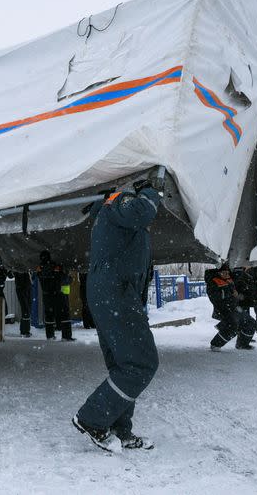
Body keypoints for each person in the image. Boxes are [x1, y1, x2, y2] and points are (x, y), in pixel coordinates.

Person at [73, 179, 162, 452]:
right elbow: (144, 209)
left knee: (124, 364)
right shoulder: (117, 204)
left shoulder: (107, 215)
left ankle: (120, 429)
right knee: (142, 363)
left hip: (112, 291)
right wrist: (149, 190)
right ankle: (92, 418)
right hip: (116, 291)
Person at [205, 264, 256, 351]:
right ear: (218, 273)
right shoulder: (213, 282)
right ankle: (215, 345)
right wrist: (231, 293)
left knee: (251, 322)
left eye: (227, 273)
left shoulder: (230, 280)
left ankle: (242, 344)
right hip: (223, 309)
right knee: (232, 327)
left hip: (235, 308)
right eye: (223, 273)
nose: (226, 274)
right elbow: (215, 297)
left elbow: (241, 280)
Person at [36, 250, 74, 341]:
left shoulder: (39, 268)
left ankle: (49, 335)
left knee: (49, 315)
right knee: (64, 314)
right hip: (57, 294)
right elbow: (63, 279)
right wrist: (70, 279)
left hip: (46, 295)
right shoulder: (55, 267)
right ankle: (66, 336)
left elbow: (39, 277)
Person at [13, 271, 33, 337]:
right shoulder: (19, 268)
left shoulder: (24, 268)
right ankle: (25, 331)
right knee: (26, 309)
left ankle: (24, 330)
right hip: (22, 287)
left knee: (27, 309)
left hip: (26, 286)